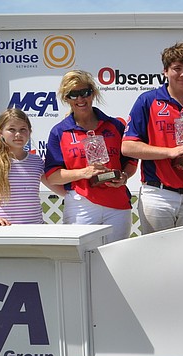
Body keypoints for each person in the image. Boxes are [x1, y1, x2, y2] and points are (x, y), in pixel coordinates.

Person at [122, 42, 183, 233]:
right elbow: (128, 147)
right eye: (177, 68)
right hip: (158, 194)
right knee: (156, 255)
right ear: (165, 71)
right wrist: (171, 152)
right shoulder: (148, 101)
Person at [44, 70, 137, 243]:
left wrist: (124, 176)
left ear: (93, 93)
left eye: (84, 92)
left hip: (117, 204)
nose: (80, 99)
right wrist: (83, 173)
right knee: (81, 261)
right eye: (73, 94)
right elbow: (53, 176)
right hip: (81, 205)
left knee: (116, 260)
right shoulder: (59, 132)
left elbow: (130, 162)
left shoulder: (115, 125)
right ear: (66, 98)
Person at [0, 108, 59, 225]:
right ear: (1, 132)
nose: (18, 134)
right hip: (4, 232)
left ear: (29, 131)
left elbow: (58, 188)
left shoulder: (37, 162)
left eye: (23, 129)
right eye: (11, 130)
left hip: (36, 230)